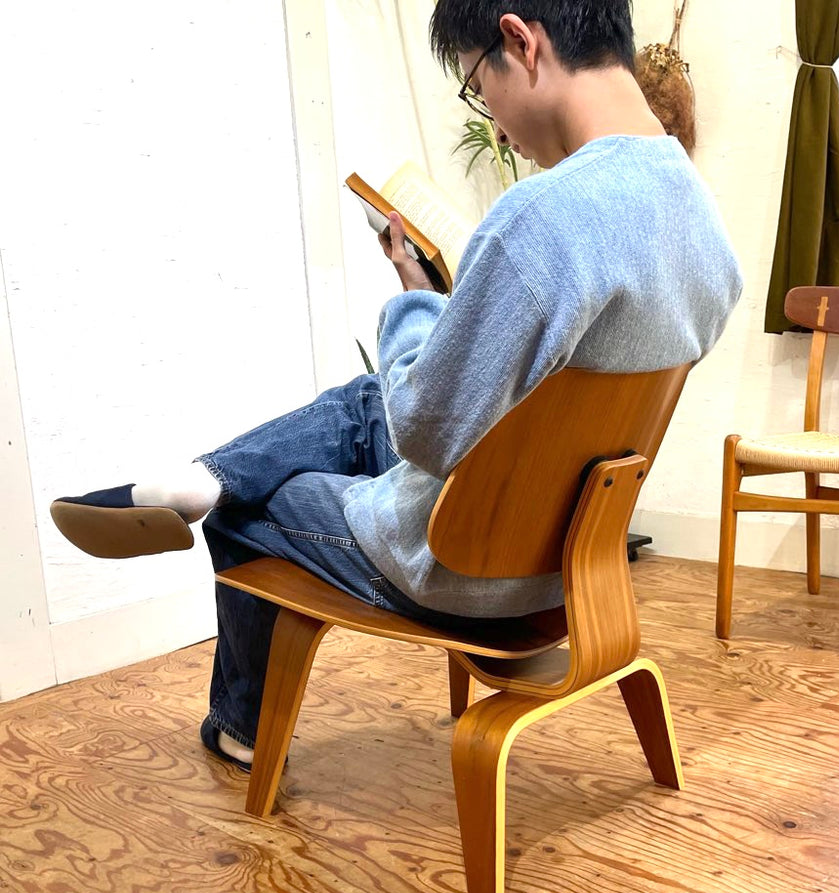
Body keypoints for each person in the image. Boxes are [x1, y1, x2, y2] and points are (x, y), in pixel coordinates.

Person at [51, 0, 743, 771]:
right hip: (576, 564)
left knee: (248, 507)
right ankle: (201, 475)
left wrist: (413, 299)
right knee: (360, 406)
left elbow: (423, 429)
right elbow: (558, 398)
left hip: (467, 568)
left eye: (478, 86)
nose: (496, 124)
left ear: (520, 42)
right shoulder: (699, 216)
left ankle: (238, 714)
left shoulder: (542, 219)